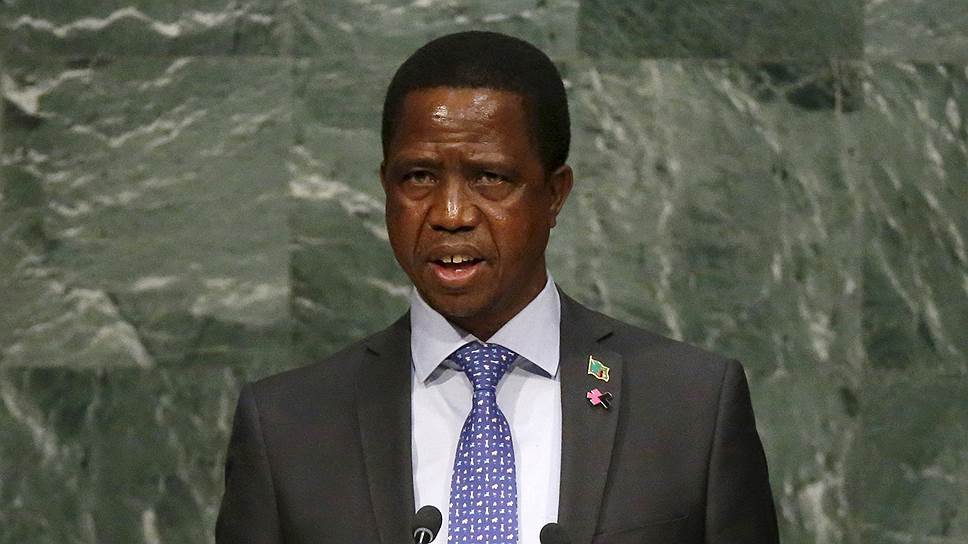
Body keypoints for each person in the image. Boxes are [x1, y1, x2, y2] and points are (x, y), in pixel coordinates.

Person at [216, 31, 779, 544]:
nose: (450, 214)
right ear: (385, 187)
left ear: (554, 194)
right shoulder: (286, 428)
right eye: (419, 178)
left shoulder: (691, 406)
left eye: (489, 177)